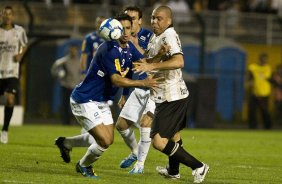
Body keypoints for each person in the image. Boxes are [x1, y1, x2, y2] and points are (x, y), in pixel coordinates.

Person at [54, 13, 162, 178]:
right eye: (122, 28)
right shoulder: (108, 49)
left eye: (128, 28)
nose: (126, 32)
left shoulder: (129, 48)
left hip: (101, 101)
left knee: (106, 140)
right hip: (84, 99)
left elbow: (143, 63)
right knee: (103, 140)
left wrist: (161, 55)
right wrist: (143, 83)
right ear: (114, 30)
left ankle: (66, 143)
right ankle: (84, 166)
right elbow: (117, 80)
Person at [133, 6, 209, 183]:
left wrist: (151, 66)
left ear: (169, 21)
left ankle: (199, 167)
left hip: (172, 96)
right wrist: (153, 59)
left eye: (159, 18)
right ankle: (174, 172)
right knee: (174, 137)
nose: (154, 21)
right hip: (165, 95)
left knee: (159, 141)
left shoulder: (169, 34)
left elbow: (179, 61)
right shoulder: (156, 36)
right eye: (152, 18)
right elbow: (151, 60)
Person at [115, 6, 154, 174]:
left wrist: (134, 44)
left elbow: (151, 59)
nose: (128, 21)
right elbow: (129, 68)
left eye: (132, 18)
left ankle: (140, 165)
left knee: (146, 124)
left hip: (154, 86)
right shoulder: (122, 37)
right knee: (121, 125)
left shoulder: (150, 36)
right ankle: (135, 152)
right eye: (126, 17)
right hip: (138, 86)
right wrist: (124, 93)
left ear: (139, 20)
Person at [0, 6, 28, 144]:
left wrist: (21, 54)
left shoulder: (19, 31)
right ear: (1, 15)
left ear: (13, 16)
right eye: (5, 14)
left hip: (12, 72)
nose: (7, 16)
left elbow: (24, 44)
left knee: (10, 99)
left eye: (9, 14)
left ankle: (4, 130)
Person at [51, 44, 81, 125]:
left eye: (74, 49)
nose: (73, 51)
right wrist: (59, 74)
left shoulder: (80, 61)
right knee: (65, 106)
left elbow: (84, 73)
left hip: (76, 87)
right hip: (66, 86)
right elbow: (54, 69)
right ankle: (65, 123)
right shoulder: (63, 61)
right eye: (72, 49)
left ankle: (78, 123)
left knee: (78, 106)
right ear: (69, 50)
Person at [247, 53, 272, 129]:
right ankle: (252, 127)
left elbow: (268, 79)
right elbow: (249, 78)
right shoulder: (252, 67)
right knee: (252, 111)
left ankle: (267, 127)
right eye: (263, 59)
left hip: (264, 93)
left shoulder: (267, 68)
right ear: (260, 59)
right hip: (254, 92)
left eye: (265, 59)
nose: (264, 61)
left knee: (264, 111)